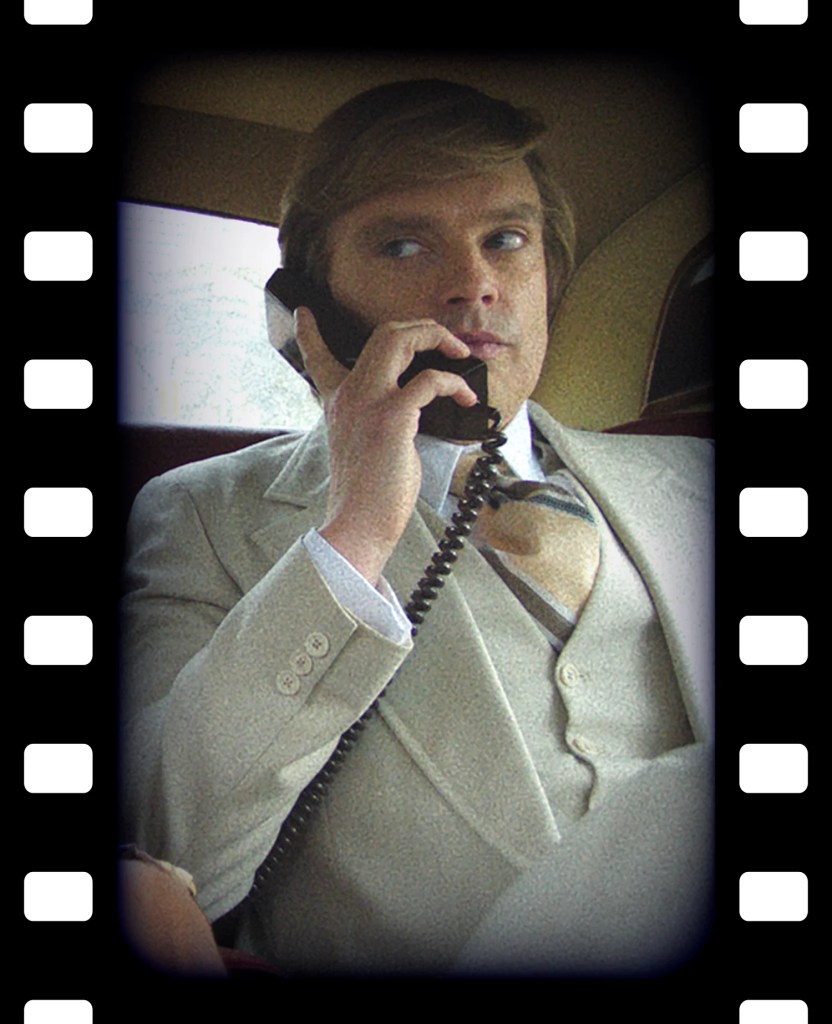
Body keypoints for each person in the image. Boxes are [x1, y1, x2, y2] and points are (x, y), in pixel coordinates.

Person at [120, 79, 714, 975]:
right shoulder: (200, 515)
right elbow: (165, 861)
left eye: (505, 240)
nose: (474, 284)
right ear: (307, 308)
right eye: (403, 244)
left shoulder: (702, 483)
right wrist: (354, 533)